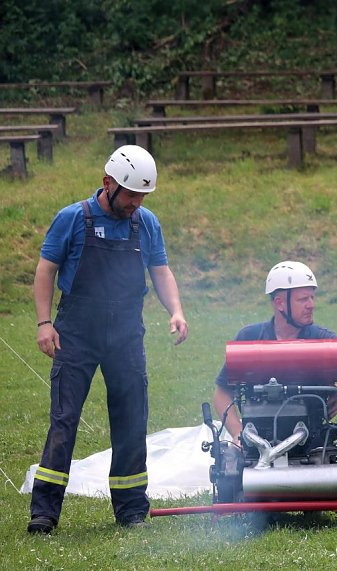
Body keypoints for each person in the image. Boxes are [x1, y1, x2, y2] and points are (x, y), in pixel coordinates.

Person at [28, 145, 189, 534]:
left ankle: (132, 508)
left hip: (126, 333)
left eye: (142, 196)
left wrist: (177, 311)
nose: (136, 203)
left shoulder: (146, 222)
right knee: (64, 421)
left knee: (132, 420)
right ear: (108, 184)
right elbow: (46, 270)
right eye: (131, 194)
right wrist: (44, 323)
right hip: (76, 332)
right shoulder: (72, 218)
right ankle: (44, 513)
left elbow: (161, 271)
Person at [213, 260, 337, 444]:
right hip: (257, 441)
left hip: (314, 443)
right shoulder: (249, 338)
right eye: (302, 299)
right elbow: (221, 393)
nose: (311, 305)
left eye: (312, 298)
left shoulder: (323, 339)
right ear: (280, 303)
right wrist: (238, 433)